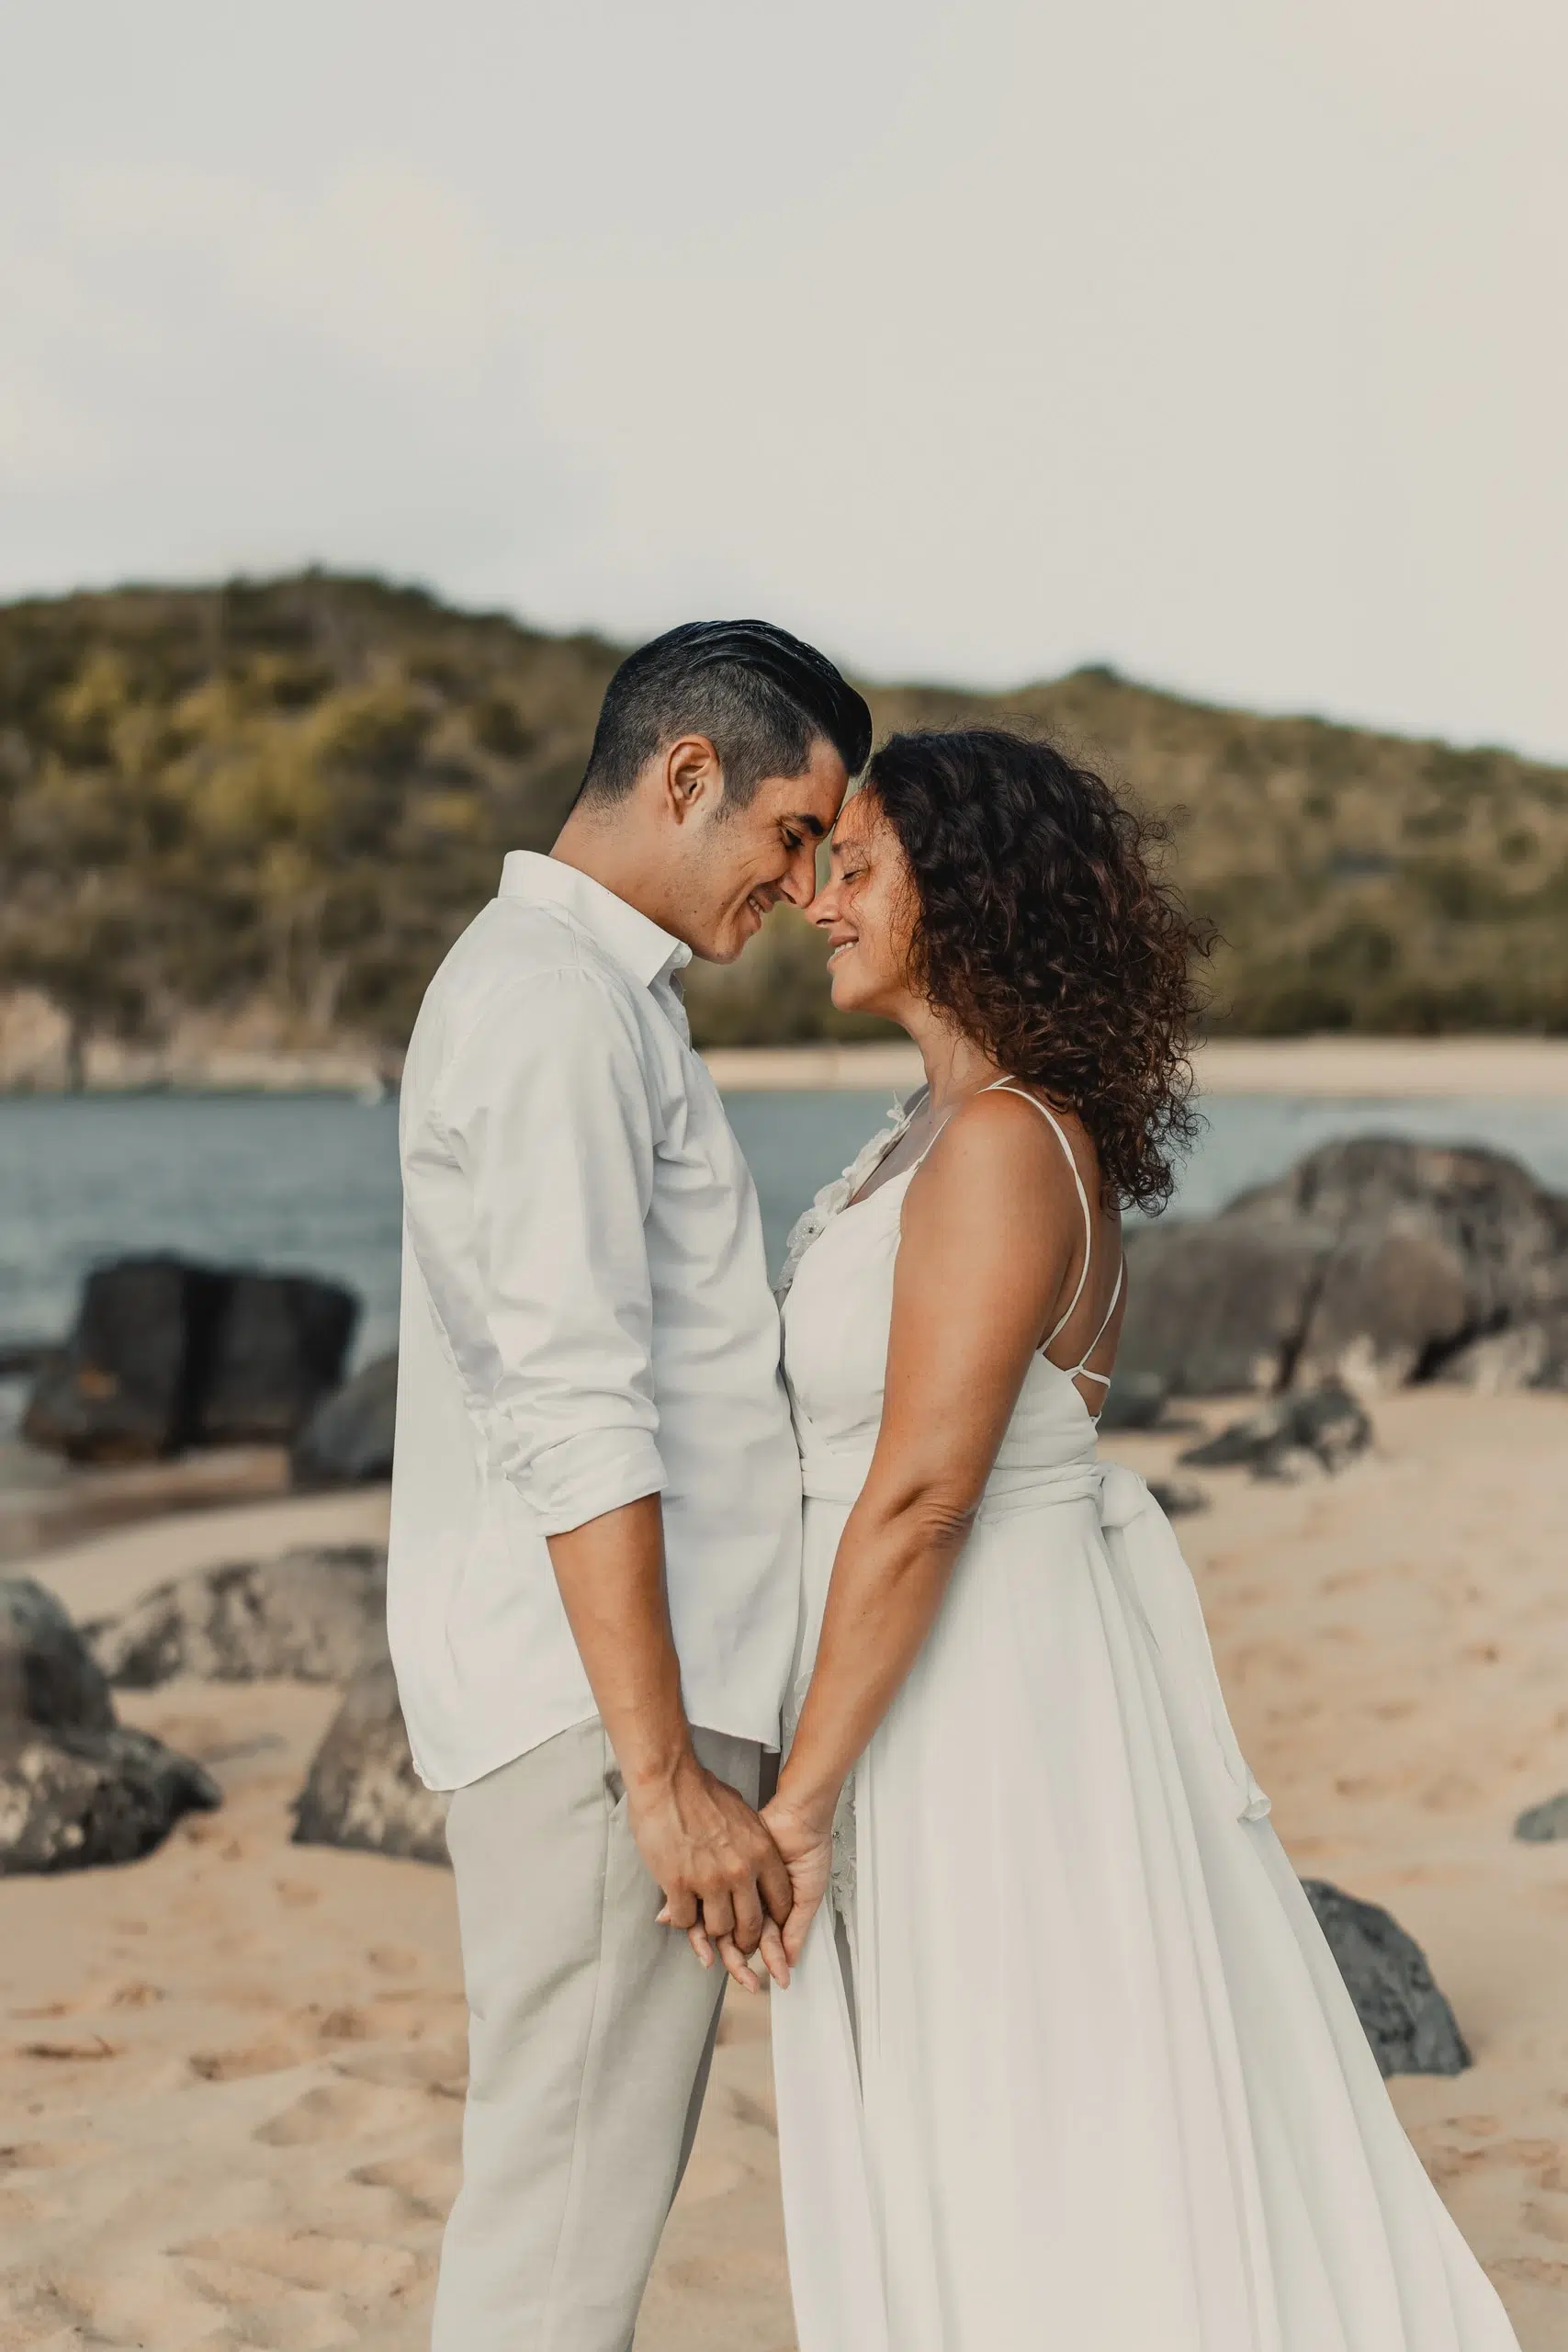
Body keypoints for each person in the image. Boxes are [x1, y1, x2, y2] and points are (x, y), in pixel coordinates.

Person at [705, 729, 1521, 2350]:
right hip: (929, 1673)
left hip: (977, 1694)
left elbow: (927, 1494)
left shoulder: (1006, 1141)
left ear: (971, 895)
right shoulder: (936, 1130)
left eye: (854, 865)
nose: (815, 897)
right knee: (983, 2094)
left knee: (1027, 2104)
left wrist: (797, 1806)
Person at [385, 618, 871, 2350]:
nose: (806, 885)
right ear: (687, 776)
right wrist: (662, 1776)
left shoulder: (593, 998)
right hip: (605, 1722)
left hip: (618, 1706)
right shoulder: (550, 1007)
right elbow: (577, 1406)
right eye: (791, 832)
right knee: (560, 2229)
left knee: (568, 2199)